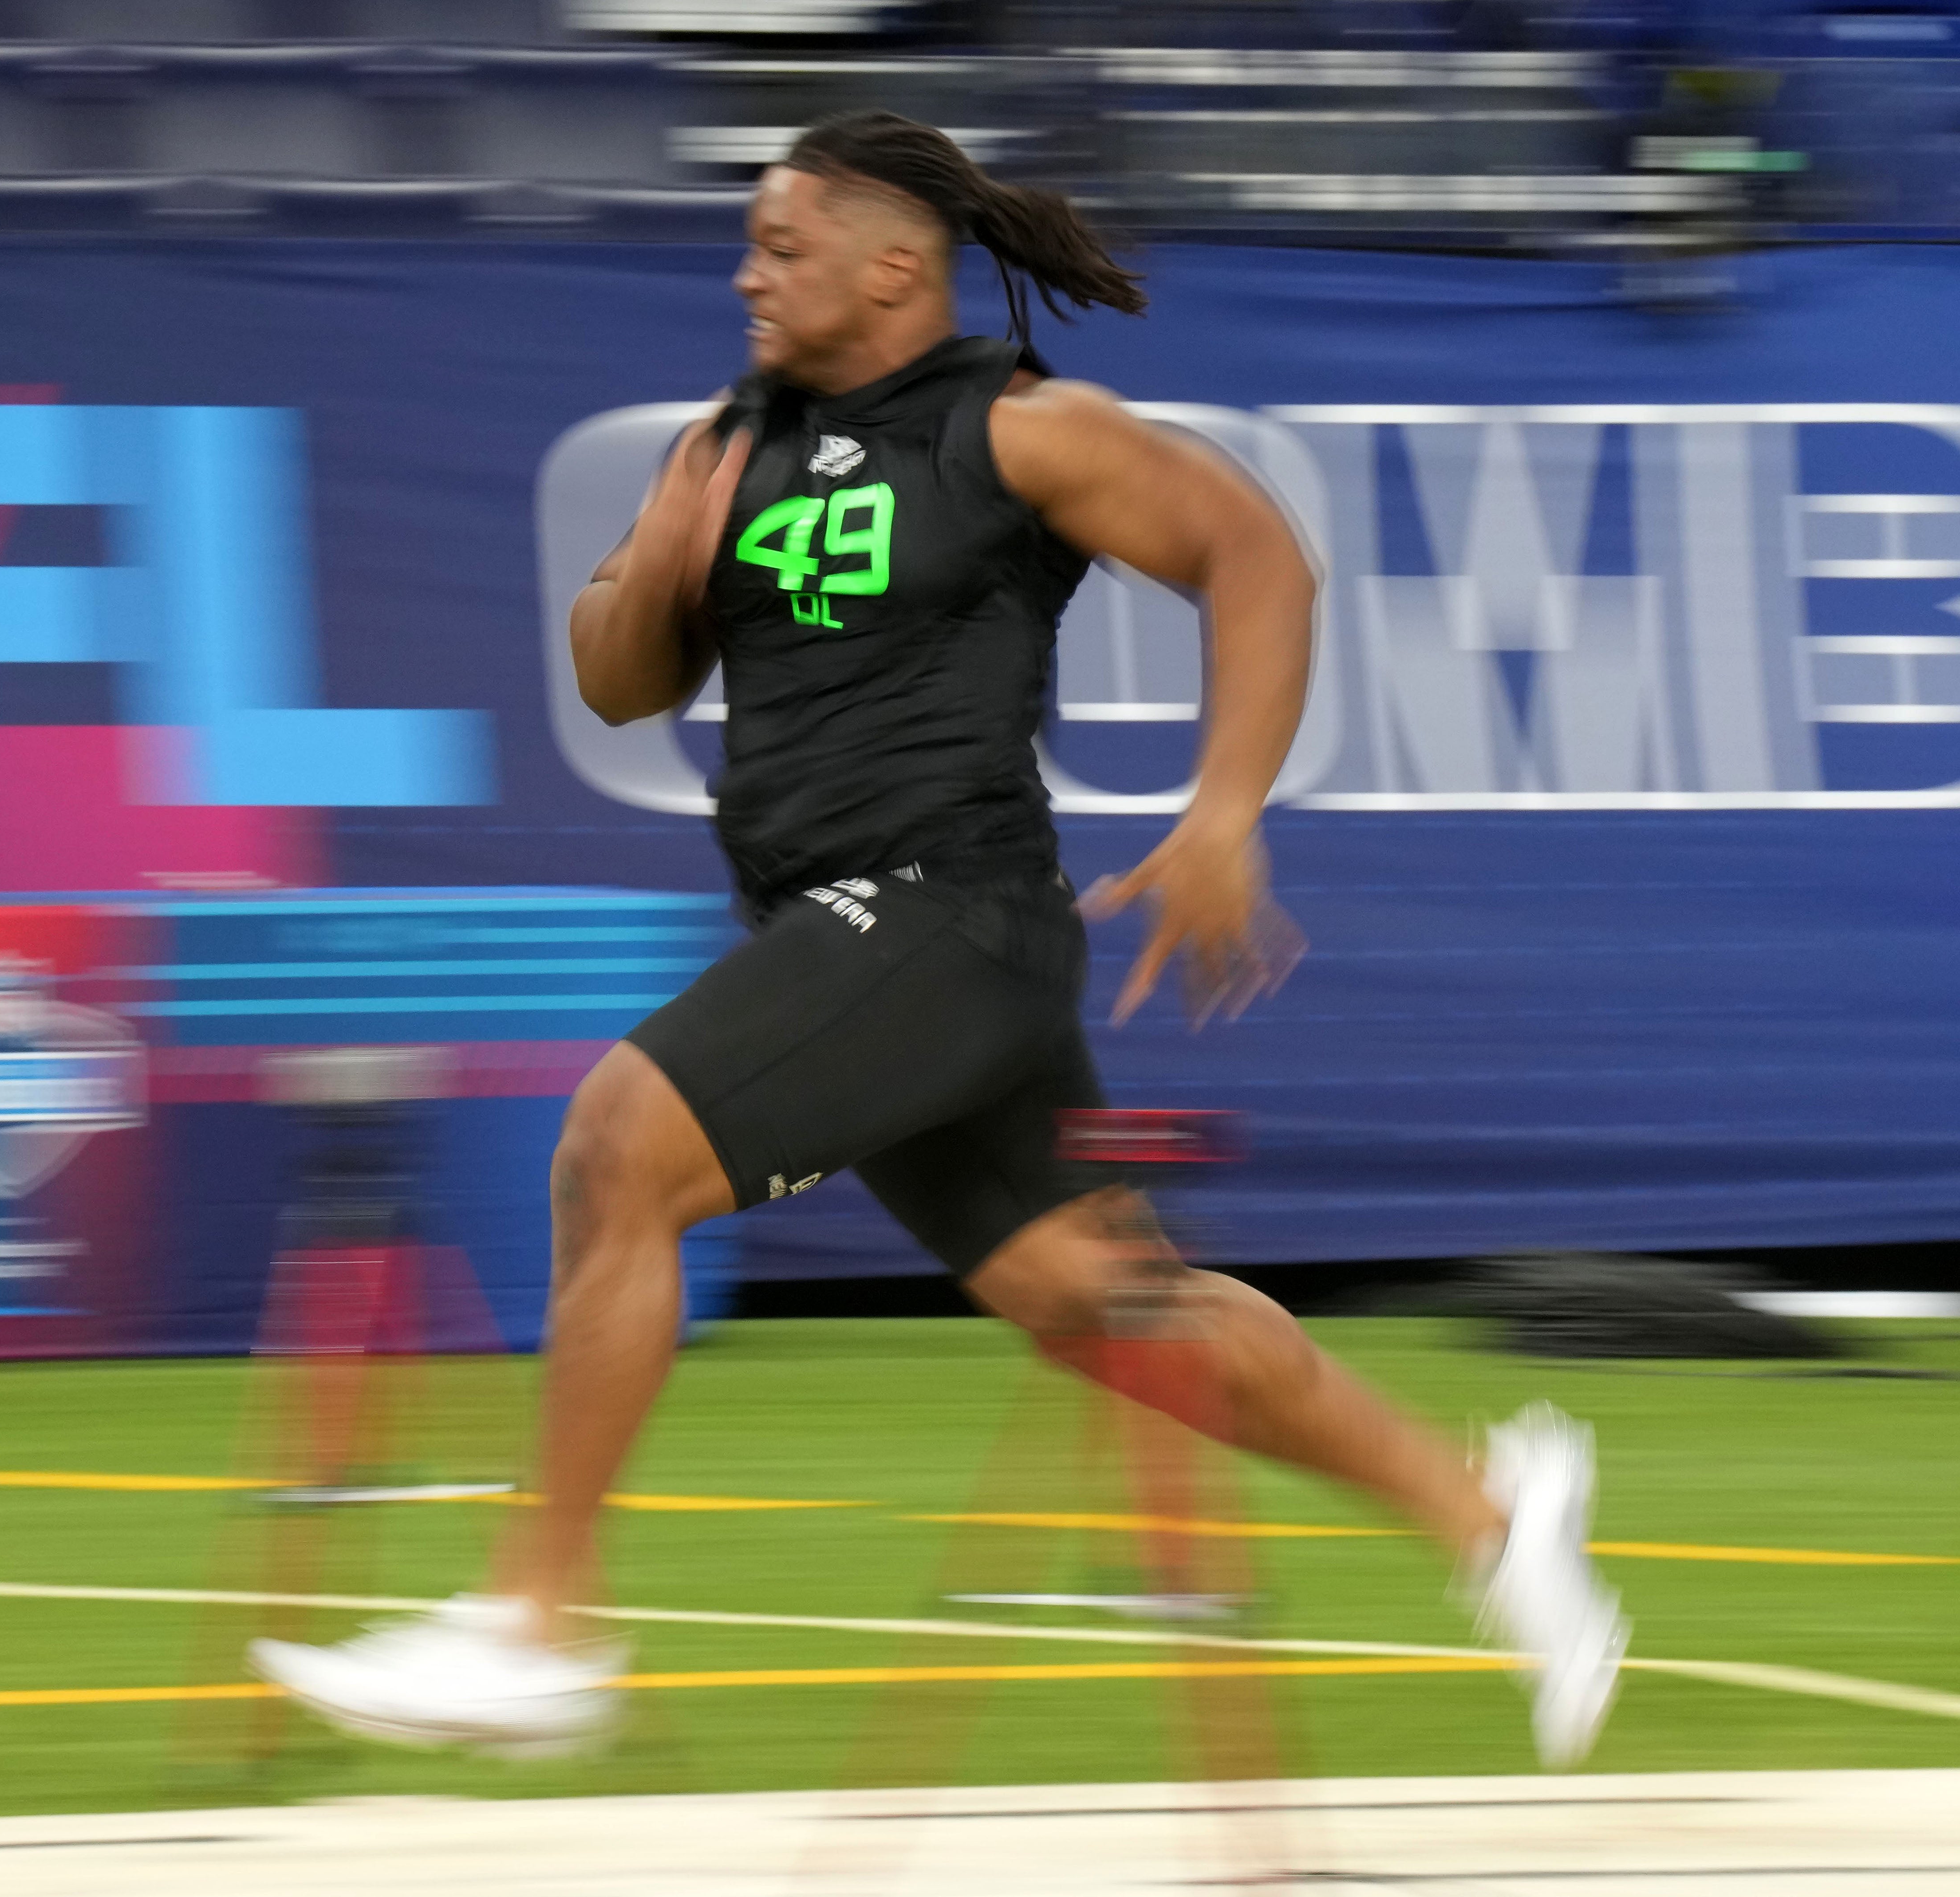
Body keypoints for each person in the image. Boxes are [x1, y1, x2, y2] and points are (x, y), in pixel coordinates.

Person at [252, 110, 1626, 1770]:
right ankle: (1495, 1511)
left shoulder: (1020, 430)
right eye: (748, 245)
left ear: (894, 266)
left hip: (946, 911)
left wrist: (1222, 812)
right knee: (1107, 1303)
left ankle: (543, 1621)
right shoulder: (733, 438)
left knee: (619, 1143)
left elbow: (1255, 552)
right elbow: (618, 677)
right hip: (842, 929)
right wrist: (663, 562)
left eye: (784, 244)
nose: (748, 272)